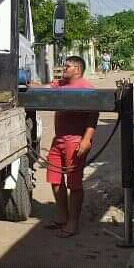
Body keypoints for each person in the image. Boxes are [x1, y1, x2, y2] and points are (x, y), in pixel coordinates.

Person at [43, 56, 98, 237]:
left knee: (74, 183)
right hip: (58, 140)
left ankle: (73, 222)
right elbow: (43, 89)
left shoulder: (86, 88)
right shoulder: (60, 84)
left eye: (67, 66)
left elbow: (93, 116)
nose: (64, 68)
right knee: (55, 178)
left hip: (75, 141)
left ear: (78, 69)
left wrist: (86, 139)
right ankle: (62, 216)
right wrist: (25, 84)